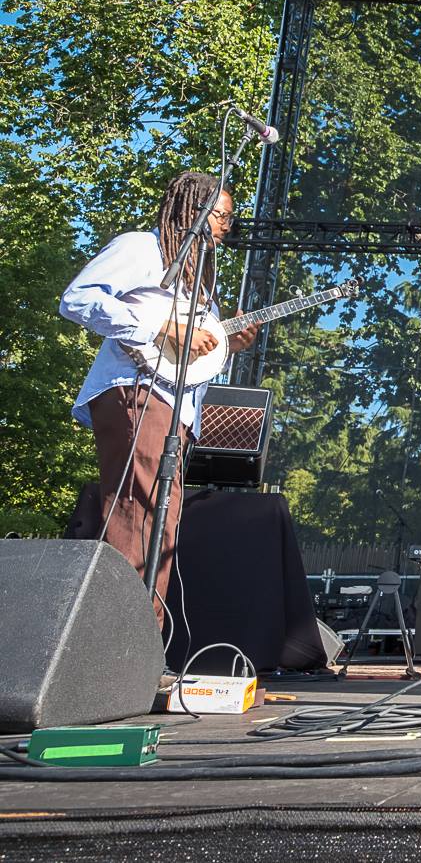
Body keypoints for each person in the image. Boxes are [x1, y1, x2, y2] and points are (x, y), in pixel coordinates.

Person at [59, 171, 258, 629]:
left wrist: (231, 343)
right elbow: (77, 298)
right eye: (222, 215)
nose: (227, 226)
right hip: (136, 392)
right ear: (194, 212)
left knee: (160, 522)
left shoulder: (198, 282)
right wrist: (158, 327)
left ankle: (142, 645)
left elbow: (186, 359)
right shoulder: (142, 249)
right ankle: (116, 644)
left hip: (173, 408)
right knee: (138, 513)